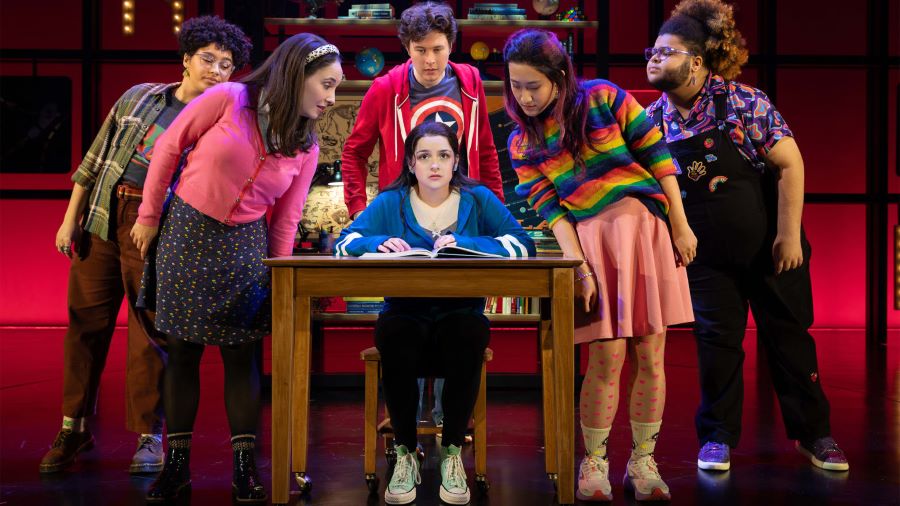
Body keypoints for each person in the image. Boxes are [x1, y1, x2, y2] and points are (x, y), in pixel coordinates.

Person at [130, 33, 342, 502]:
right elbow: (167, 150)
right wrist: (148, 217)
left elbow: (287, 219)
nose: (330, 98)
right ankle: (176, 470)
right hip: (186, 231)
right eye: (326, 85)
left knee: (241, 355)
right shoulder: (230, 98)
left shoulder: (306, 146)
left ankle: (244, 471)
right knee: (182, 352)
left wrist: (280, 274)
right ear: (297, 75)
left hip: (246, 246)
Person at [644, 0, 849, 473]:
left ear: (695, 61)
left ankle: (816, 435)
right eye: (650, 51)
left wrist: (788, 236)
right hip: (707, 260)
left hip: (772, 250)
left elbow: (790, 163)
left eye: (665, 51)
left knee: (789, 340)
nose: (653, 59)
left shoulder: (741, 102)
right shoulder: (653, 120)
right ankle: (716, 438)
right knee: (717, 346)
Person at [43, 16, 250, 475]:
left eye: (227, 64)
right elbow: (93, 160)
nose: (217, 70)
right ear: (186, 60)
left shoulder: (226, 124)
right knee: (85, 325)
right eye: (208, 59)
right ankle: (72, 426)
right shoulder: (139, 97)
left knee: (151, 335)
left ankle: (148, 436)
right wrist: (69, 219)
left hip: (157, 229)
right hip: (102, 216)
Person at [504, 29, 695, 502]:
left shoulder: (603, 97)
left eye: (533, 85)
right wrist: (579, 267)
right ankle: (594, 463)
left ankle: (643, 462)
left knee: (651, 354)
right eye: (515, 86)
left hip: (646, 232)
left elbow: (659, 156)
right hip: (592, 245)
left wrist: (680, 224)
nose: (524, 97)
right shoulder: (522, 142)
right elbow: (553, 213)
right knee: (605, 356)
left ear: (559, 77)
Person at [334, 122, 535, 505]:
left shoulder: (477, 198)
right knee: (394, 335)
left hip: (460, 311)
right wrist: (378, 242)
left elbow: (522, 245)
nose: (434, 165)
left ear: (455, 160)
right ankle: (406, 453)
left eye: (443, 155)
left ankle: (453, 452)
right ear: (411, 163)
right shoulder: (392, 201)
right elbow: (345, 244)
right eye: (424, 156)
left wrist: (467, 242)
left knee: (468, 333)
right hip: (405, 312)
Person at [341, 1, 504, 221]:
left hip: (463, 212)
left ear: (451, 45)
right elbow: (354, 152)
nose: (430, 60)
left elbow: (486, 151)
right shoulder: (385, 89)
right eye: (420, 50)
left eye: (438, 49)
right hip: (403, 214)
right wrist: (358, 208)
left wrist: (497, 211)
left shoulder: (470, 81)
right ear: (407, 48)